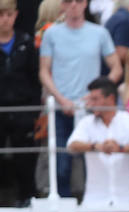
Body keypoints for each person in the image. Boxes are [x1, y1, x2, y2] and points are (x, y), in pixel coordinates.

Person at [39, 0, 121, 199]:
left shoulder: (99, 33)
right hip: (60, 108)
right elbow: (44, 71)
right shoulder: (51, 34)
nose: (74, 5)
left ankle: (92, 204)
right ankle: (64, 205)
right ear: (62, 6)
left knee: (93, 162)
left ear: (85, 4)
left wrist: (97, 96)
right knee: (61, 165)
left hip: (91, 111)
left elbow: (117, 68)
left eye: (79, 1)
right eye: (68, 1)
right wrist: (61, 98)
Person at [67, 76, 129, 206]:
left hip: (128, 199)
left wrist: (120, 148)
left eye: (95, 99)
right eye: (90, 99)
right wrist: (95, 146)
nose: (90, 104)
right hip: (94, 200)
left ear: (110, 99)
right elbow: (72, 145)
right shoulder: (86, 123)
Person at [0, 0, 40, 207]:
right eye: (0, 15)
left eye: (8, 15)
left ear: (15, 16)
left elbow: (35, 79)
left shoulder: (27, 42)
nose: (4, 20)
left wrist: (33, 111)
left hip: (23, 109)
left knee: (25, 157)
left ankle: (27, 198)